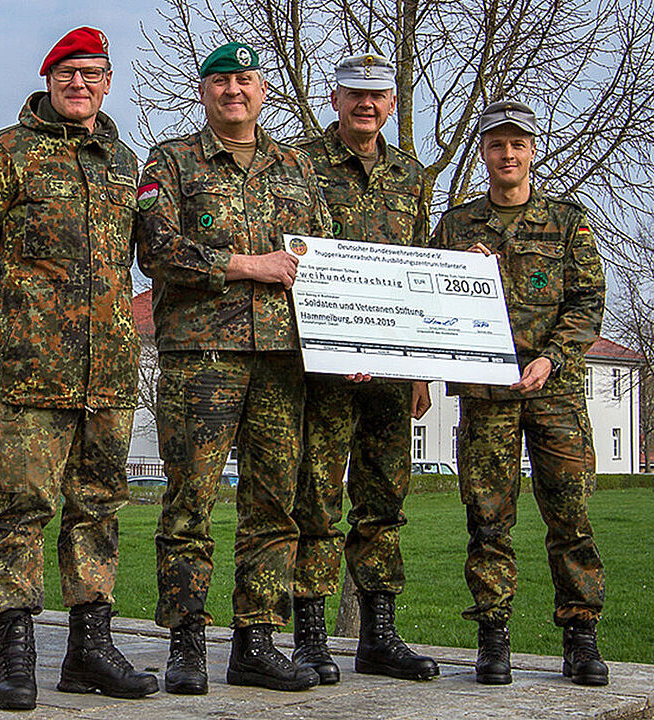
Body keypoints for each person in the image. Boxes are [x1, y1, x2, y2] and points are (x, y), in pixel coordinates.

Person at [0, 26, 158, 710]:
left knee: (98, 509)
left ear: (108, 82)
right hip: (34, 372)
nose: (79, 84)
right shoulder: (6, 152)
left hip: (111, 374)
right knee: (23, 509)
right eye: (67, 73)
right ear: (48, 80)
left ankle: (90, 650)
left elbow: (142, 255)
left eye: (91, 73)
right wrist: (18, 317)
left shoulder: (125, 163)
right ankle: (16, 653)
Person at [136, 41, 331, 693]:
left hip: (281, 362)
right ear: (204, 92)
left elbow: (325, 259)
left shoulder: (295, 166)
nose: (234, 90)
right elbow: (156, 250)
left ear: (262, 90)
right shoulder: (172, 161)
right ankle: (187, 643)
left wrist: (350, 342)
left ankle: (256, 642)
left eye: (245, 79)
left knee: (273, 505)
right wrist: (248, 265)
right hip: (202, 359)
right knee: (189, 502)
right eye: (221, 80)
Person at [430, 100, 608, 686]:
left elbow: (587, 304)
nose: (508, 154)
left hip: (555, 393)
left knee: (570, 516)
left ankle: (581, 639)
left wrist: (552, 357)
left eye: (518, 144)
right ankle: (492, 638)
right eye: (497, 144)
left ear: (533, 150)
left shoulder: (568, 221)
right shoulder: (456, 227)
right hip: (487, 396)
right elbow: (424, 301)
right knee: (487, 520)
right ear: (483, 152)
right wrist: (455, 269)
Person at [288, 54, 439, 684]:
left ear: (392, 104)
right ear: (335, 98)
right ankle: (310, 636)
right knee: (316, 500)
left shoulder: (412, 177)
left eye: (378, 95)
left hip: (392, 373)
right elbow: (294, 257)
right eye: (355, 94)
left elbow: (422, 268)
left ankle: (378, 634)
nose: (366, 105)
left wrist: (421, 369)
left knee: (383, 500)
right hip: (324, 368)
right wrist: (334, 346)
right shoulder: (299, 164)